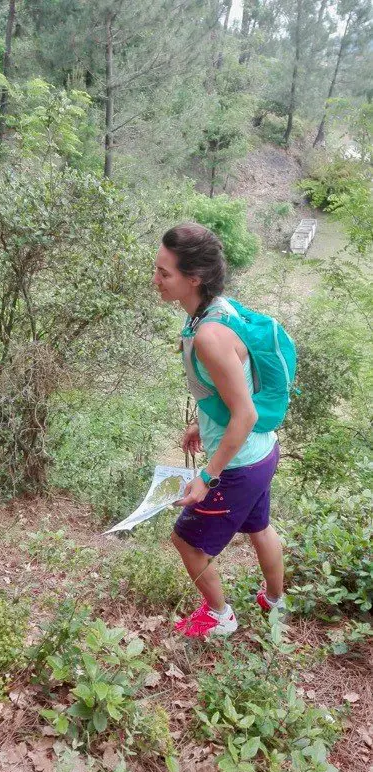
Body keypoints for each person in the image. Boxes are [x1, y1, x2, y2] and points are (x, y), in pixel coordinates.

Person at [153, 222, 285, 638]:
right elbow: (234, 392)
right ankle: (276, 600)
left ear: (194, 278)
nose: (155, 280)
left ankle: (220, 616)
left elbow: (243, 414)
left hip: (238, 463)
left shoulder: (209, 334)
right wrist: (201, 423)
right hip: (263, 452)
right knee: (260, 528)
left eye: (164, 273)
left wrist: (207, 476)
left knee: (186, 542)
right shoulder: (216, 310)